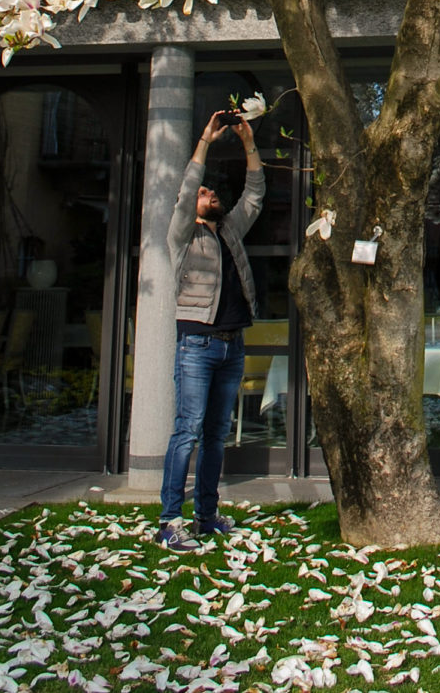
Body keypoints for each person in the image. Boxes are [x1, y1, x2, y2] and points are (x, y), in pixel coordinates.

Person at [157, 109, 265, 549]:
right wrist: (205, 138)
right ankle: (168, 522)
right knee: (188, 430)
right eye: (205, 193)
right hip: (197, 343)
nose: (209, 193)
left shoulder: (229, 231)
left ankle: (206, 515)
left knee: (217, 434)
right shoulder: (184, 235)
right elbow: (185, 192)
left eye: (211, 191)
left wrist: (248, 142)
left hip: (230, 345)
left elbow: (254, 195)